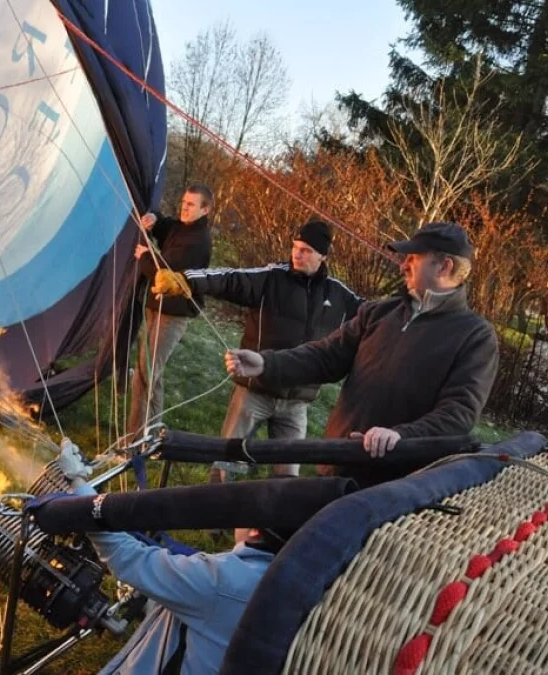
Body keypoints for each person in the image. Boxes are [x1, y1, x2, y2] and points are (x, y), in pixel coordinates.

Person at [223, 221, 500, 488]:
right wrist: (267, 363)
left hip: (395, 485)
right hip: (337, 462)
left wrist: (400, 437)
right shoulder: (380, 312)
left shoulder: (475, 336)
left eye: (413, 258)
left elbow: (457, 414)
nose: (403, 265)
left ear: (444, 266)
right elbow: (326, 356)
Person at [54, 439, 291, 675]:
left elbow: (125, 556)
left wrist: (78, 481)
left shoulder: (222, 581)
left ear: (255, 530)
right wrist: (155, 592)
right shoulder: (290, 585)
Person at [151, 221, 362, 481]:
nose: (297, 253)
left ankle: (271, 522)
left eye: (306, 250)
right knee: (225, 463)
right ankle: (212, 513)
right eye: (295, 247)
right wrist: (186, 280)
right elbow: (229, 279)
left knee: (287, 478)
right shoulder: (271, 278)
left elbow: (375, 317)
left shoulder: (340, 297)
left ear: (323, 256)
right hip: (254, 392)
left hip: (297, 403)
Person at [126, 185, 215, 440]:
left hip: (173, 314)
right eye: (183, 202)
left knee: (144, 375)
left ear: (205, 210)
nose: (184, 208)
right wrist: (154, 219)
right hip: (157, 307)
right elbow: (168, 227)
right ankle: (153, 436)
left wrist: (145, 256)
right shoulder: (184, 227)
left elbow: (162, 272)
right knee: (153, 374)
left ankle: (133, 441)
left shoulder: (198, 242)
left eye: (191, 205)